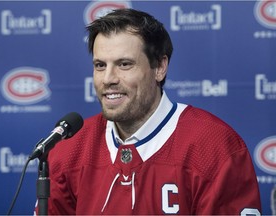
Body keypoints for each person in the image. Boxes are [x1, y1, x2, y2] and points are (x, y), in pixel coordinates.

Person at [35, 8, 261, 215]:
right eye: (100, 65)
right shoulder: (69, 148)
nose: (108, 79)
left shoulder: (215, 146)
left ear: (160, 68)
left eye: (124, 64)